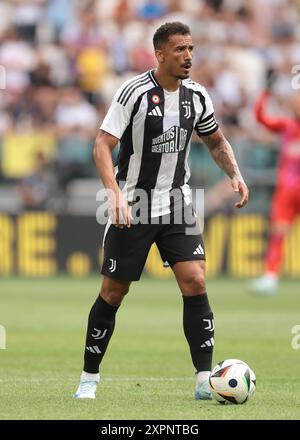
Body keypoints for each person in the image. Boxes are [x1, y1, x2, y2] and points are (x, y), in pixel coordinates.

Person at [73, 22, 249, 400]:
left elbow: (215, 140)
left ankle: (205, 381)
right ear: (160, 54)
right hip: (132, 204)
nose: (188, 56)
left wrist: (234, 173)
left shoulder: (197, 96)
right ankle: (89, 379)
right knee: (113, 292)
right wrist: (114, 193)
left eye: (191, 49)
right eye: (180, 49)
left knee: (196, 281)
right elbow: (102, 146)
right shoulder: (133, 92)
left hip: (177, 204)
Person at [249, 89, 300, 295]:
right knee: (278, 233)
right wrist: (264, 93)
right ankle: (270, 277)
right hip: (287, 190)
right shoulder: (287, 126)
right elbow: (262, 119)